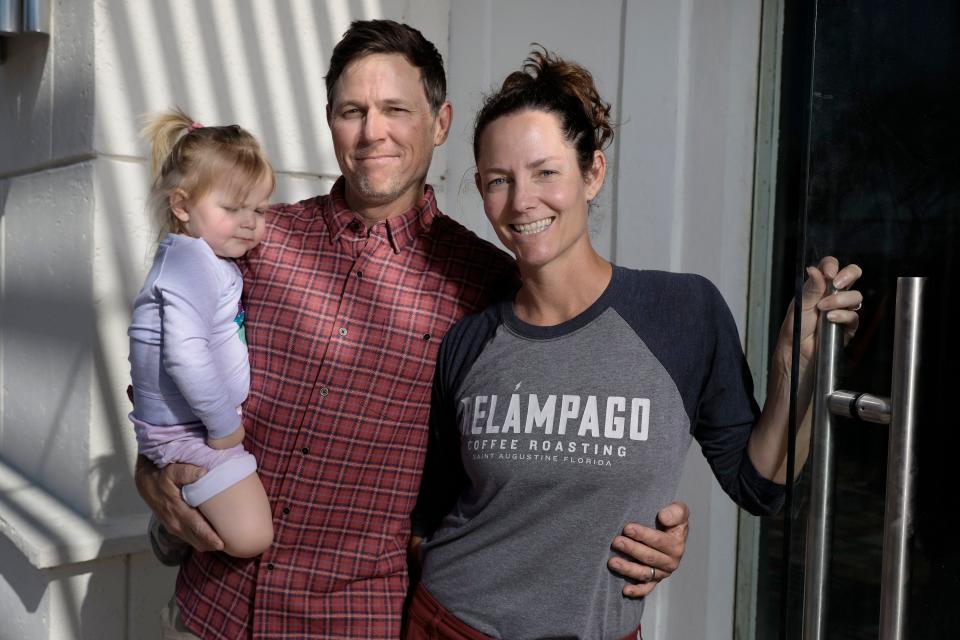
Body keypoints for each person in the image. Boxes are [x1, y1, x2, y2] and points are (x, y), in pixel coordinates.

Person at [134, 21, 689, 639]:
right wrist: (150, 475)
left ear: (441, 122)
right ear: (330, 121)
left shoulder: (488, 285)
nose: (374, 131)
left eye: (396, 108)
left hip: (355, 622)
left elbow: (561, 432)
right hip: (211, 612)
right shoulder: (254, 242)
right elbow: (160, 367)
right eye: (353, 111)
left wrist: (645, 522)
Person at [405, 49, 863, 639]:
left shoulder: (682, 314)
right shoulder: (468, 340)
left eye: (546, 172)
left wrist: (793, 368)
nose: (522, 201)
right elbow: (434, 515)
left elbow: (760, 485)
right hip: (451, 626)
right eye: (499, 181)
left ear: (592, 172)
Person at [129, 109, 274, 559]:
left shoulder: (206, 258)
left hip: (194, 425)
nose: (250, 222)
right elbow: (186, 357)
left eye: (259, 209)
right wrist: (225, 427)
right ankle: (176, 529)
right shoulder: (191, 261)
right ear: (182, 205)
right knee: (252, 537)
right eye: (232, 208)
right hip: (190, 430)